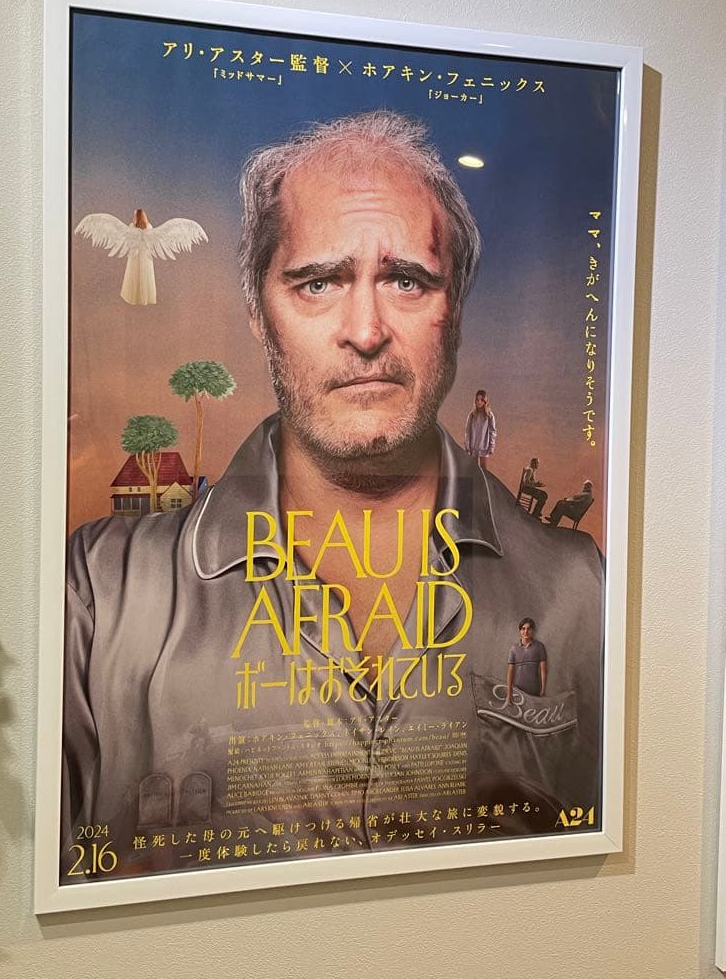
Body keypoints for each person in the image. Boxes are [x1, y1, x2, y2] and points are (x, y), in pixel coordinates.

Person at [63, 111, 604, 879]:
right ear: (259, 314)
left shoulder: (580, 590)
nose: (366, 330)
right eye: (318, 282)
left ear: (453, 314)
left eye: (407, 280)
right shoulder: (98, 593)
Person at [506, 618, 547, 701]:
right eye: (523, 628)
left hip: (534, 690)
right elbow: (510, 672)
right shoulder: (514, 648)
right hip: (517, 691)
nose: (526, 631)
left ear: (532, 630)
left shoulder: (539, 647)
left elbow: (543, 670)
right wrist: (509, 693)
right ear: (519, 631)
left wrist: (543, 690)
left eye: (529, 629)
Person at [464, 389, 496, 469]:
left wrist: (491, 446)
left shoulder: (489, 415)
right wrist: (467, 445)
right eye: (477, 400)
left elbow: (492, 431)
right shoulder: (472, 415)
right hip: (473, 447)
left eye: (481, 400)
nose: (479, 402)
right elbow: (467, 431)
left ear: (485, 401)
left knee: (483, 470)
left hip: (484, 447)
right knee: (473, 469)